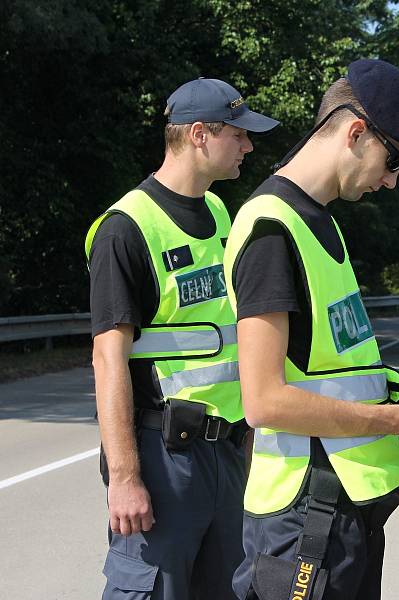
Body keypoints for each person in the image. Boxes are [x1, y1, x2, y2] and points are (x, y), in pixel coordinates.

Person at [223, 59, 399, 600]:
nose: (392, 180)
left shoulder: (321, 225)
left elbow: (341, 374)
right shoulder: (273, 230)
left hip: (342, 514)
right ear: (355, 132)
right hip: (305, 520)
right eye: (394, 161)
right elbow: (264, 402)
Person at [85, 77, 279, 600]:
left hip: (227, 452)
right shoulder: (126, 228)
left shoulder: (219, 213)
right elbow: (108, 360)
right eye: (238, 134)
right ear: (198, 134)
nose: (248, 146)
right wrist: (125, 476)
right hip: (165, 455)